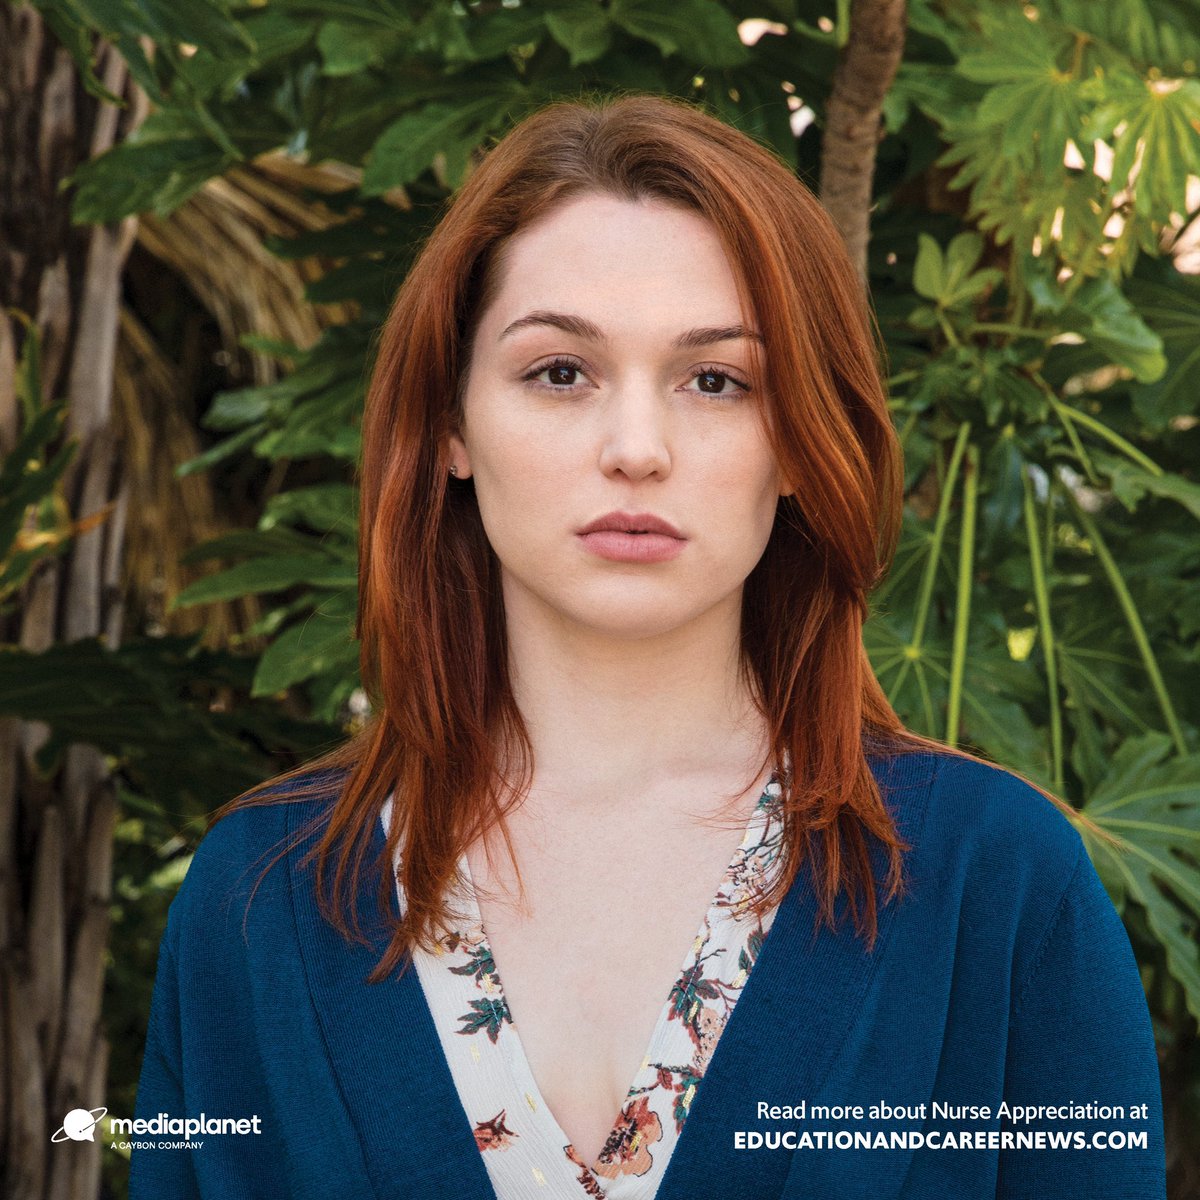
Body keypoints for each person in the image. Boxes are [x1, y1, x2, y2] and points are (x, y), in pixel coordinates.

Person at [128, 93, 1166, 1200]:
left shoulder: (999, 885)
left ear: (803, 442)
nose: (637, 448)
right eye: (559, 372)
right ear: (450, 426)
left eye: (716, 380)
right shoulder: (260, 898)